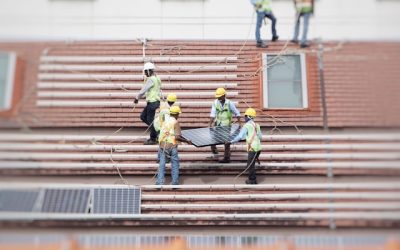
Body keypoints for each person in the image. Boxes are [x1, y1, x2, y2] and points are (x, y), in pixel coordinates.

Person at [157, 106, 191, 185]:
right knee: (175, 164)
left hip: (162, 145)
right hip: (172, 146)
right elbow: (177, 137)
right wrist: (187, 141)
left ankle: (159, 182)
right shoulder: (175, 122)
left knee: (162, 165)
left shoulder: (165, 121)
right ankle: (175, 182)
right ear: (176, 114)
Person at [226, 108, 262, 185]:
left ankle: (252, 180)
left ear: (248, 116)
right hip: (258, 148)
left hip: (253, 148)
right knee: (251, 163)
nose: (244, 118)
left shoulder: (247, 126)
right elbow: (260, 137)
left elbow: (240, 136)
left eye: (245, 116)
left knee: (250, 165)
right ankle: (252, 179)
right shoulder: (257, 125)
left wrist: (230, 142)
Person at [209, 87, 241, 163]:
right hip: (218, 123)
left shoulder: (229, 103)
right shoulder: (215, 102)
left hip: (227, 125)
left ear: (224, 96)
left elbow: (237, 113)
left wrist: (240, 123)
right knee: (213, 137)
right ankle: (214, 149)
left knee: (227, 142)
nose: (218, 98)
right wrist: (210, 123)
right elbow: (213, 113)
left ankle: (226, 157)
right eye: (218, 97)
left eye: (220, 96)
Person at [134, 62, 161, 145]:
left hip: (152, 102)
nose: (145, 74)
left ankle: (153, 138)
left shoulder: (151, 79)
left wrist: (137, 98)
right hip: (154, 102)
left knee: (150, 120)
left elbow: (144, 89)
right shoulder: (157, 78)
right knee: (143, 117)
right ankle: (156, 132)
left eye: (146, 72)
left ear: (149, 71)